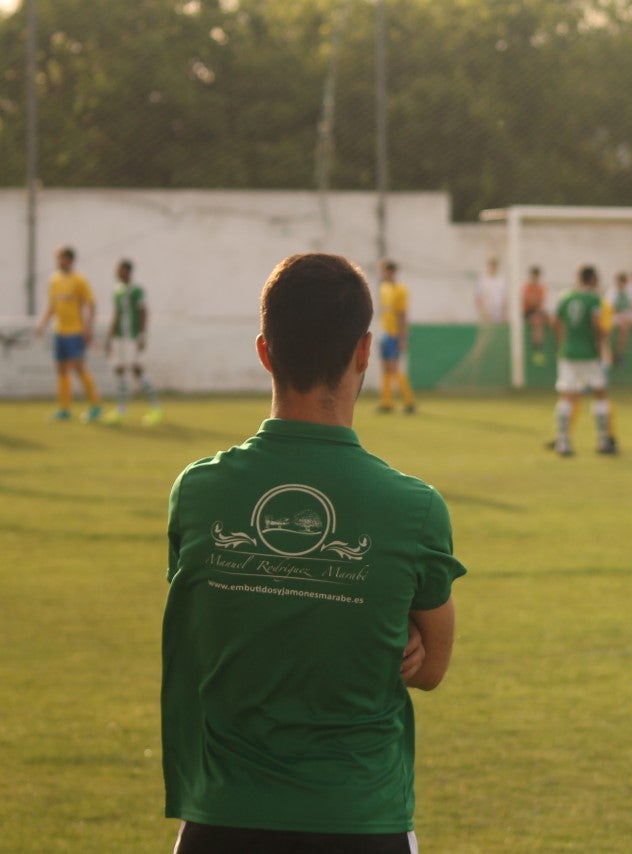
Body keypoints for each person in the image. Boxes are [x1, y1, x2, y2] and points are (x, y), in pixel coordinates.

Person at [162, 253, 465, 853]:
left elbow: (211, 628)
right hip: (361, 820)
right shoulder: (415, 509)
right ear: (363, 352)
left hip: (220, 819)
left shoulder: (197, 493)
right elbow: (430, 668)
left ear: (265, 352)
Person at [551, 264, 617, 456]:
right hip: (589, 354)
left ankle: (562, 441)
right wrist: (601, 342)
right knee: (600, 394)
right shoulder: (594, 300)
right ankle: (603, 439)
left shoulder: (566, 298)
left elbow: (554, 321)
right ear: (592, 279)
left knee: (566, 396)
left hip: (567, 353)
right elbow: (597, 324)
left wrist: (563, 340)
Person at [34, 245, 103, 422]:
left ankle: (95, 406)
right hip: (60, 331)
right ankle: (64, 409)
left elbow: (90, 304)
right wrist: (42, 324)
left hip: (75, 332)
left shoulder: (79, 280)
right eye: (58, 258)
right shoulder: (54, 280)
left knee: (79, 368)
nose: (59, 262)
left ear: (70, 260)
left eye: (62, 258)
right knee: (61, 370)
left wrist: (88, 328)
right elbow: (52, 305)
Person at [103, 259, 163, 425]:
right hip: (120, 338)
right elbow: (116, 315)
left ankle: (155, 408)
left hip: (133, 337)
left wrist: (143, 335)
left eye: (120, 270)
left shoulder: (137, 291)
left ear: (128, 272)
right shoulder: (117, 291)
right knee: (120, 370)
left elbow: (143, 311)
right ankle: (121, 410)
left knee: (137, 370)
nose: (118, 273)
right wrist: (109, 338)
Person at [377, 259, 416, 414]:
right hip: (385, 333)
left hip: (394, 335)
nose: (383, 274)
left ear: (392, 272)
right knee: (386, 369)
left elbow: (402, 315)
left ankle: (409, 402)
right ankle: (387, 403)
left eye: (385, 271)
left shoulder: (400, 290)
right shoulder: (384, 288)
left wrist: (402, 338)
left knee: (394, 368)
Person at [521, 265, 550, 365]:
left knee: (552, 319)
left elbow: (540, 302)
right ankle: (537, 350)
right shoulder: (526, 287)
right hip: (528, 312)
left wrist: (535, 303)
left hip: (538, 311)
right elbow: (527, 300)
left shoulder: (541, 288)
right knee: (537, 322)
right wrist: (534, 302)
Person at [475, 255, 506, 325]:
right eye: (491, 265)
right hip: (486, 315)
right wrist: (483, 313)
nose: (493, 267)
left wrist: (504, 313)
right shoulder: (482, 280)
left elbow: (504, 298)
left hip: (499, 315)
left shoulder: (502, 280)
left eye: (494, 265)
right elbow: (478, 299)